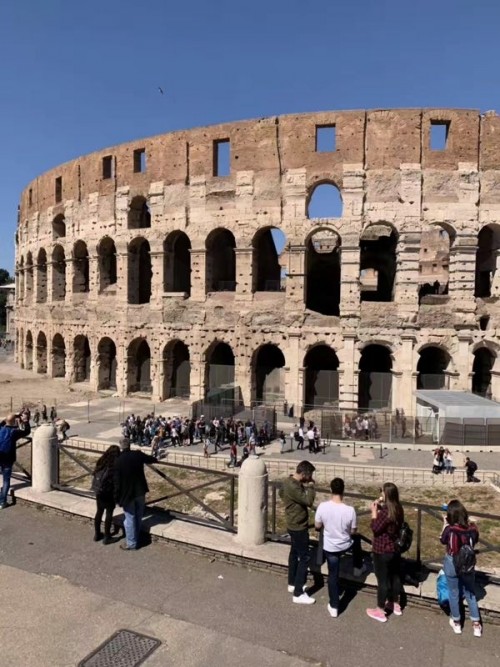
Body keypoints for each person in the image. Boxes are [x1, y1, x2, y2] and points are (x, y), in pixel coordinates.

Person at [315, 477, 364, 618]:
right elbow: (353, 531)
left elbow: (317, 526)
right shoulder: (350, 510)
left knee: (333, 574)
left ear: (331, 490)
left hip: (330, 547)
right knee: (357, 539)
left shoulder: (323, 506)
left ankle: (334, 605)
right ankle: (358, 567)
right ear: (343, 490)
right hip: (345, 545)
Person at [440, 499, 482, 637]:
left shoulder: (450, 530)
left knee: (453, 592)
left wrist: (444, 525)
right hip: (468, 563)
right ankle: (476, 624)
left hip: (452, 562)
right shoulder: (473, 529)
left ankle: (457, 622)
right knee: (470, 593)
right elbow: (475, 540)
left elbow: (442, 540)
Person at [279, 460, 316, 605]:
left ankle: (292, 583)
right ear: (304, 474)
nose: (311, 478)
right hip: (298, 526)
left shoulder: (287, 481)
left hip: (291, 522)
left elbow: (281, 493)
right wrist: (311, 487)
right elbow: (308, 501)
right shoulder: (294, 486)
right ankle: (298, 593)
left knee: (294, 553)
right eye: (310, 475)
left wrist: (291, 505)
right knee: (304, 557)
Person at [366, 482, 404, 622]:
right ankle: (395, 603)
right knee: (394, 576)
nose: (380, 494)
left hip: (382, 549)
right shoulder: (398, 508)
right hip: (394, 549)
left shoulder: (386, 512)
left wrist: (374, 512)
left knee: (382, 580)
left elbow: (375, 528)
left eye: (382, 491)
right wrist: (380, 507)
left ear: (386, 494)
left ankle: (380, 610)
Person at [113, 437, 157, 550]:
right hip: (140, 490)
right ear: (129, 445)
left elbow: (116, 482)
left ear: (121, 446)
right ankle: (136, 537)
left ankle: (131, 543)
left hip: (127, 494)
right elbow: (152, 459)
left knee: (130, 518)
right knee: (138, 515)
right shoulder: (137, 454)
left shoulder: (118, 461)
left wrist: (116, 498)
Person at [0, 413, 31, 509]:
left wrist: (11, 417)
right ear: (14, 422)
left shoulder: (0, 428)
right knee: (6, 481)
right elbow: (27, 431)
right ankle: (2, 502)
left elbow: (3, 423)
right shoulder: (14, 432)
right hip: (8, 459)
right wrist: (25, 421)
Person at [92, 445, 121, 544]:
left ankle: (97, 534)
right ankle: (107, 537)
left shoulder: (101, 460)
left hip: (99, 491)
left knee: (99, 511)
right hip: (108, 493)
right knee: (109, 513)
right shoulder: (115, 465)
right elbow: (116, 482)